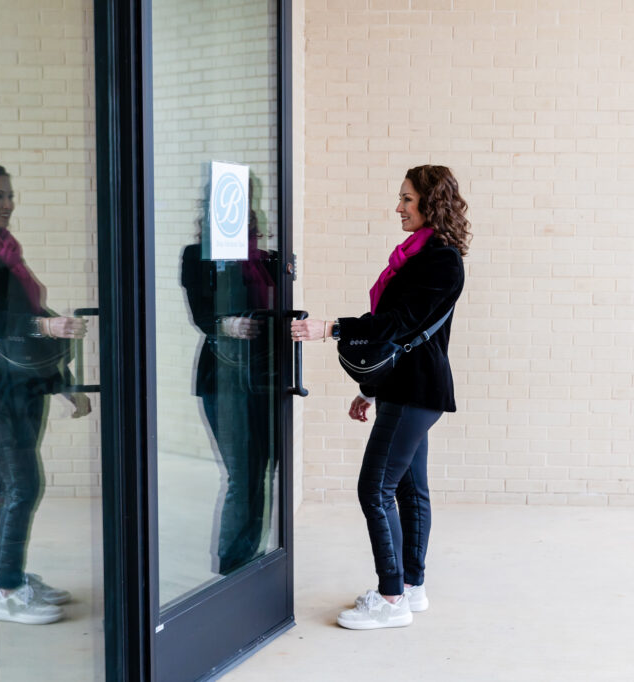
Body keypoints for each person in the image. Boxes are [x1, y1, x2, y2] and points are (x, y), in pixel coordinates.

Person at [291, 165, 470, 630]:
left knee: (375, 488)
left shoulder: (443, 261)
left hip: (417, 391)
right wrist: (369, 388)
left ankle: (391, 598)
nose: (399, 208)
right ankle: (412, 586)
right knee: (410, 489)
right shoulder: (415, 255)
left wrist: (329, 328)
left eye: (407, 199)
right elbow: (399, 336)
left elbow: (397, 326)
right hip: (403, 388)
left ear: (431, 203)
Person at [0, 162, 91, 625]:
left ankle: (11, 574)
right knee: (20, 486)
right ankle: (4, 588)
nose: (8, 204)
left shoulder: (9, 251)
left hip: (24, 385)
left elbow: (31, 315)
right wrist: (45, 324)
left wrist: (66, 381)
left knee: (13, 487)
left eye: (10, 196)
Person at [180, 208, 277, 576]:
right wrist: (227, 323)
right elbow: (202, 314)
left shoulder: (265, 260)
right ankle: (232, 566)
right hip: (223, 376)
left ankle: (252, 553)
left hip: (264, 376)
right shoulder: (198, 256)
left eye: (247, 221)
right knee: (242, 472)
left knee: (264, 468)